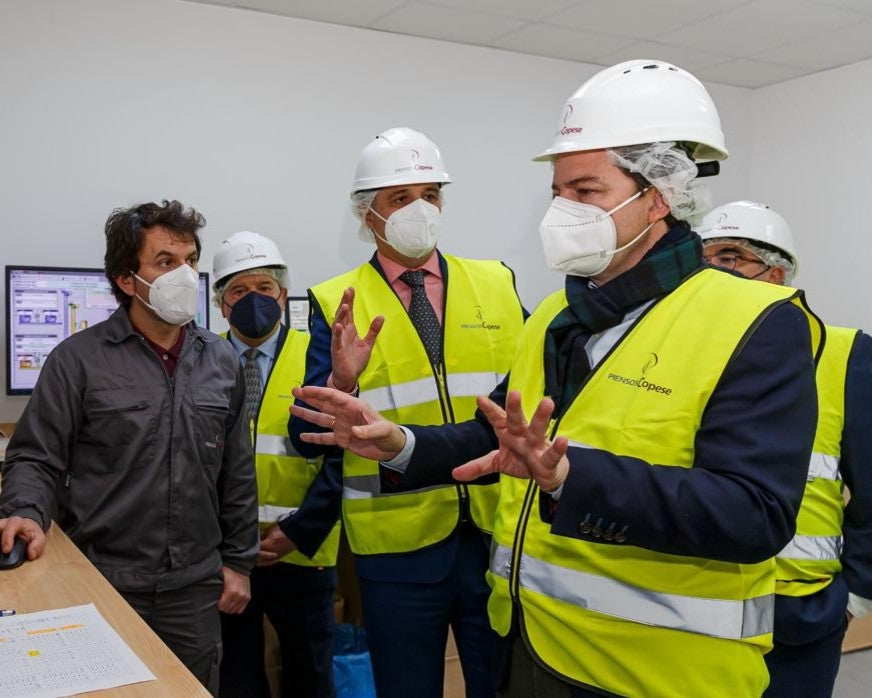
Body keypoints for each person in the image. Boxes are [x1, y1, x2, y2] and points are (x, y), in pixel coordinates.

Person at [290, 60, 824, 697]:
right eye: (557, 192)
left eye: (586, 191)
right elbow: (497, 433)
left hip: (655, 673)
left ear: (657, 196)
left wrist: (571, 477)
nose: (562, 209)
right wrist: (397, 443)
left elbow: (754, 513)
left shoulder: (755, 321)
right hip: (533, 645)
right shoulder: (556, 315)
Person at [0, 200, 257, 693]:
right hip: (101, 578)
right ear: (127, 279)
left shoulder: (222, 360)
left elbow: (237, 472)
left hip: (193, 588)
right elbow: (36, 456)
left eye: (190, 261)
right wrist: (23, 513)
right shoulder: (76, 362)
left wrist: (239, 563)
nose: (184, 275)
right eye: (166, 262)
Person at [285, 127, 526, 698]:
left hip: (495, 533)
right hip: (398, 551)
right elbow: (304, 432)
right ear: (368, 216)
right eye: (400, 199)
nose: (420, 209)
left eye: (430, 195)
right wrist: (340, 378)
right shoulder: (333, 300)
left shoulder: (496, 282)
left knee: (504, 686)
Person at [699, 200, 872, 697]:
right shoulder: (680, 353)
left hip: (798, 610)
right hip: (696, 603)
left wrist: (855, 595)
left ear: (775, 275)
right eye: (703, 258)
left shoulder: (844, 354)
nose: (712, 271)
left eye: (730, 258)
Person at [212, 231, 340, 698]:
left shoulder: (318, 356)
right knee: (236, 678)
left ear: (284, 296)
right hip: (227, 557)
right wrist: (228, 542)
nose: (254, 300)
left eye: (265, 288)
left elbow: (341, 459)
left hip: (302, 551)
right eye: (239, 291)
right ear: (222, 305)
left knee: (310, 675)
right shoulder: (201, 360)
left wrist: (299, 530)